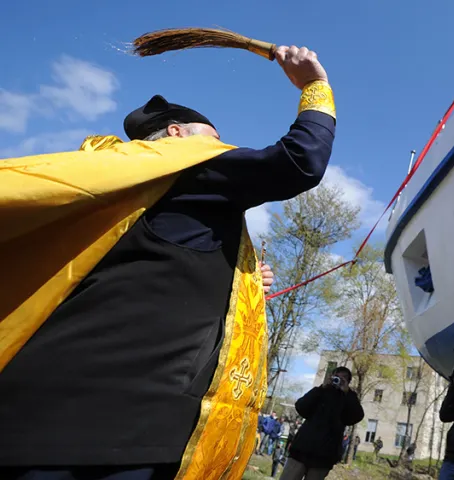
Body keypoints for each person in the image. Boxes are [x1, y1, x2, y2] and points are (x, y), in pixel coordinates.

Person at [0, 45, 336, 480]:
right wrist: (315, 87)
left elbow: (153, 277)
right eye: (214, 138)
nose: (223, 147)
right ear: (176, 134)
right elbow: (299, 161)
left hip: (30, 420)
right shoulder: (184, 167)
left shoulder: (113, 188)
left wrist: (243, 284)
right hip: (125, 434)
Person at [280, 367, 364, 480]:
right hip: (301, 450)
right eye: (337, 377)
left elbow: (357, 416)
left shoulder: (348, 398)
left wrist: (347, 393)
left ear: (348, 382)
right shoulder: (321, 391)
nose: (339, 380)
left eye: (344, 378)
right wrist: (321, 388)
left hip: (324, 457)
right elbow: (300, 406)